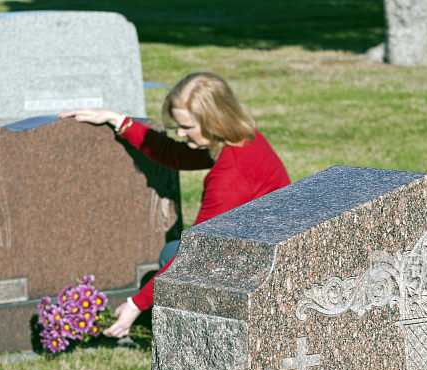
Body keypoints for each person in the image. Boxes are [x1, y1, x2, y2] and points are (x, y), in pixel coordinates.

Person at [60, 72, 290, 337]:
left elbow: (197, 253)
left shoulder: (230, 175)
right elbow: (173, 155)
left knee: (172, 255)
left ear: (214, 121)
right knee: (171, 251)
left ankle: (206, 337)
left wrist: (136, 305)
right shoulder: (241, 138)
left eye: (187, 127)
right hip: (261, 250)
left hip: (261, 271)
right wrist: (116, 119)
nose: (180, 133)